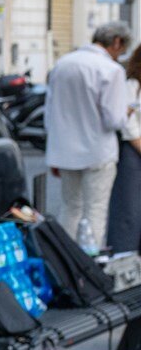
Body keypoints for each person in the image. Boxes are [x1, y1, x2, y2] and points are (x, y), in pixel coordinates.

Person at [45, 21, 133, 248]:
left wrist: (53, 152)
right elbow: (114, 120)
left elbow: (50, 112)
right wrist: (127, 111)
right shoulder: (111, 70)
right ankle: (89, 260)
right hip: (98, 151)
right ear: (116, 42)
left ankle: (66, 258)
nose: (120, 55)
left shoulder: (62, 64)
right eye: (122, 49)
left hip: (65, 151)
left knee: (70, 207)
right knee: (95, 209)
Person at [107, 51, 141, 254]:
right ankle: (124, 256)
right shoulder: (132, 86)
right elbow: (129, 125)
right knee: (128, 208)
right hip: (132, 151)